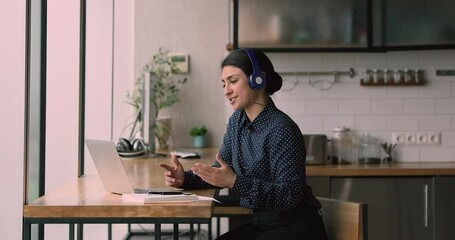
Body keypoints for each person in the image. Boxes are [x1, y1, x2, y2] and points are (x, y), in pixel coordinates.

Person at [160, 48, 328, 240]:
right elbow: (220, 171)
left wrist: (234, 182)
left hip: (296, 228)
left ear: (258, 79)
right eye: (224, 84)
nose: (226, 91)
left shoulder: (282, 128)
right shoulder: (236, 122)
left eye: (233, 81)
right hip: (261, 224)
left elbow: (289, 195)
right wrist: (184, 179)